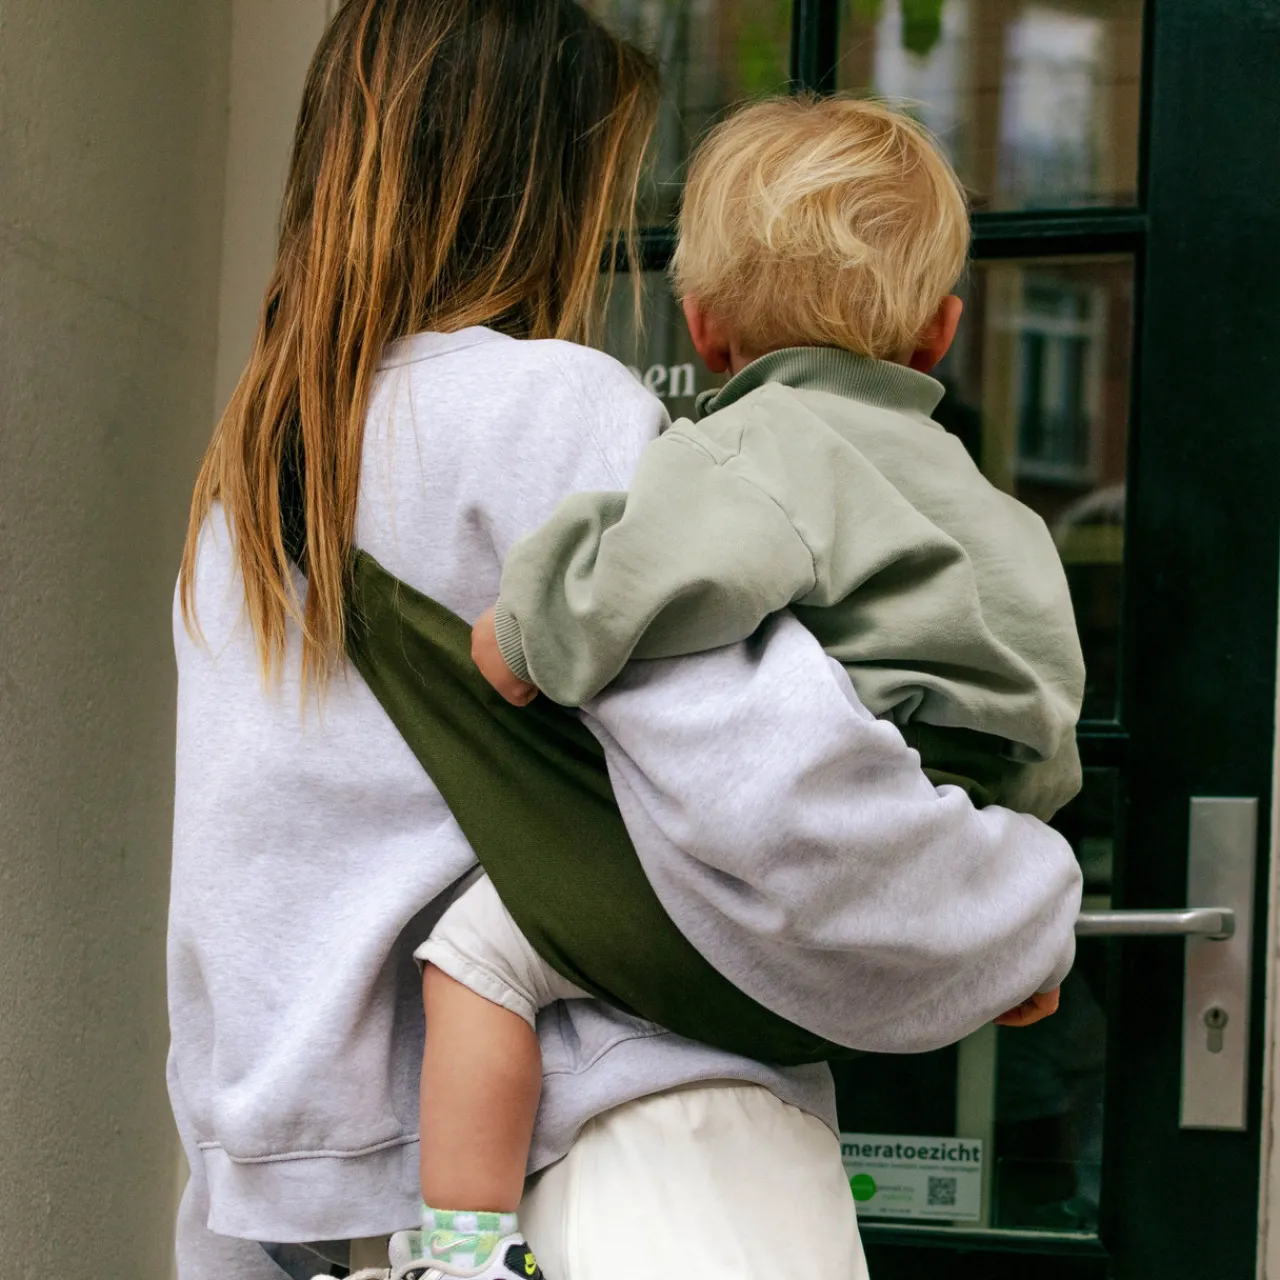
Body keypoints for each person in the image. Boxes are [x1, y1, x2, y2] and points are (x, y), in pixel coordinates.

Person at [168, 5, 1082, 1278]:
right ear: (544, 190)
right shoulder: (549, 408)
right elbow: (778, 805)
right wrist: (1021, 914)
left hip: (317, 1201)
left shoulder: (257, 472)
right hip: (620, 1158)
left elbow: (235, 891)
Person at [417, 95, 1084, 1271]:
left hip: (784, 888)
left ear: (704, 327)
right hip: (919, 910)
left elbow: (651, 577)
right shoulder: (1005, 520)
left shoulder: (755, 443)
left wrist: (521, 637)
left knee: (474, 954)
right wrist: (1008, 933)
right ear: (939, 331)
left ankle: (458, 1255)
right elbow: (1041, 732)